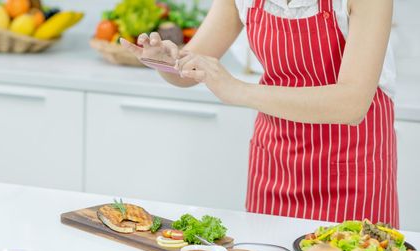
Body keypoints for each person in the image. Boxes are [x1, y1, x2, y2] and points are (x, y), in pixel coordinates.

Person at [121, 0, 398, 227]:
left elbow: (351, 103)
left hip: (352, 169)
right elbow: (188, 71)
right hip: (275, 165)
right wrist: (164, 61)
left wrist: (238, 90)